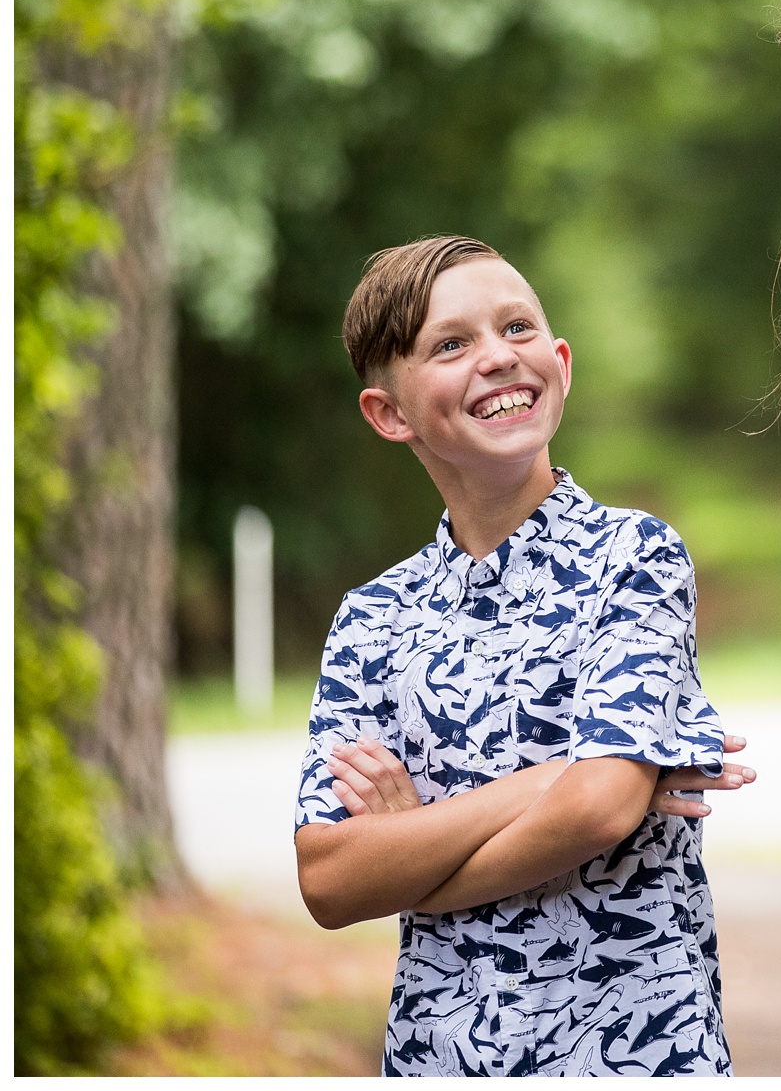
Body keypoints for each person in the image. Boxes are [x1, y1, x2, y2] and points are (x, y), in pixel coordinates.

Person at [293, 235, 752, 1076]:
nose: (499, 357)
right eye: (452, 343)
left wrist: (411, 861)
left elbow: (602, 808)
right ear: (389, 413)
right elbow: (328, 879)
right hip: (441, 1054)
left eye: (518, 327)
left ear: (561, 362)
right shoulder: (372, 619)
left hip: (637, 1050)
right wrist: (551, 778)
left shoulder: (635, 558)